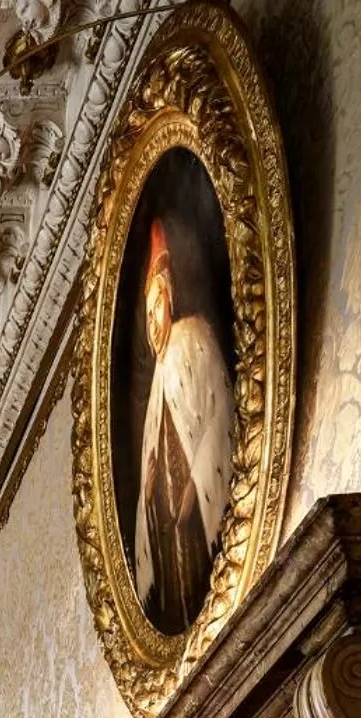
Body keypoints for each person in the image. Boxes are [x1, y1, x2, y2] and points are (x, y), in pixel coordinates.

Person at [132, 217, 234, 635]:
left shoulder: (194, 339)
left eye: (158, 306)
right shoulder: (156, 385)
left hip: (196, 514)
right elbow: (152, 474)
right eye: (148, 313)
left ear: (170, 299)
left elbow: (220, 413)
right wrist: (150, 489)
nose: (154, 320)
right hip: (171, 532)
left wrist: (195, 482)